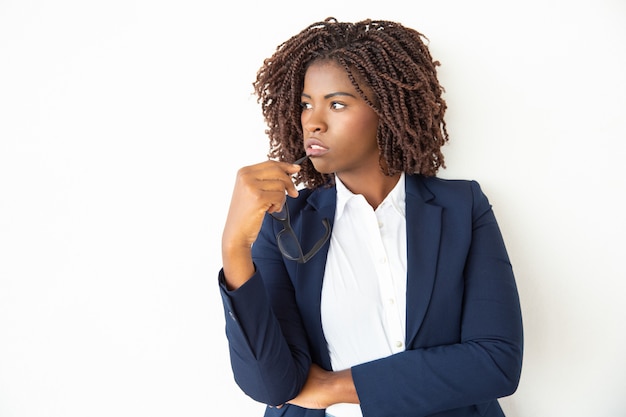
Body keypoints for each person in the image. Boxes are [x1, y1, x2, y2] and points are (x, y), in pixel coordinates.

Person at [218, 17, 523, 417]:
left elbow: (495, 361)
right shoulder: (284, 221)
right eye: (307, 103)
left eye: (337, 103)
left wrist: (336, 387)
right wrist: (234, 248)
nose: (314, 120)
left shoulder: (461, 207)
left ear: (387, 108)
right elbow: (273, 384)